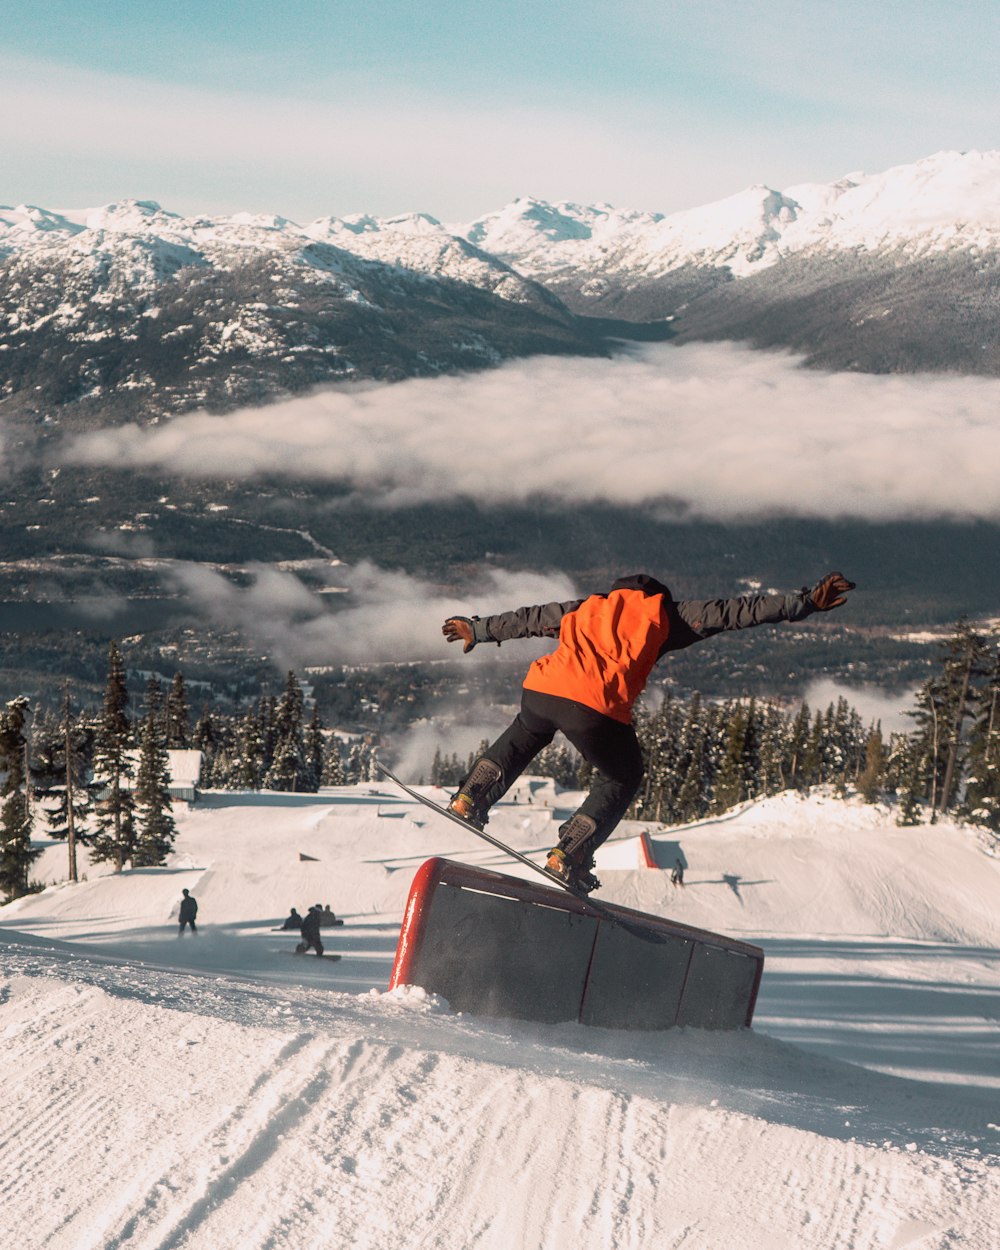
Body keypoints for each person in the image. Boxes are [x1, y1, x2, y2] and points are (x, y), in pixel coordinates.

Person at [443, 571, 855, 892]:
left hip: (542, 691)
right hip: (595, 709)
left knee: (526, 732)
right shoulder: (667, 615)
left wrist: (477, 630)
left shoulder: (586, 607)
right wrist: (803, 604)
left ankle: (470, 798)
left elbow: (528, 619)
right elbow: (739, 611)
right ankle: (568, 855)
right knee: (622, 777)